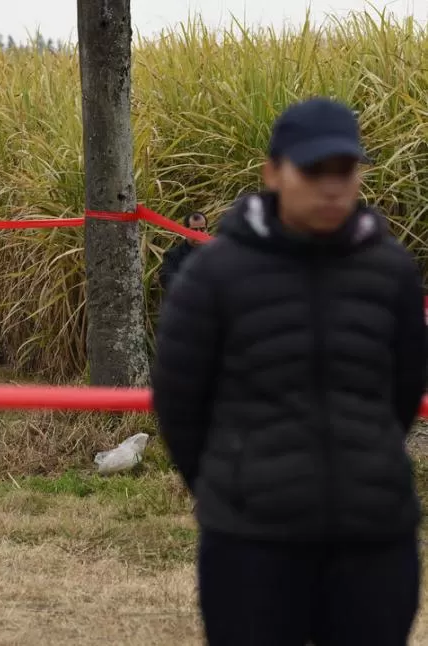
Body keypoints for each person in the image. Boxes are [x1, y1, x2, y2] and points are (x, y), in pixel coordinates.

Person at [152, 96, 427, 646]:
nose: (331, 186)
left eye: (344, 171)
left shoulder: (390, 270)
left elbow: (402, 391)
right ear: (273, 173)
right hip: (252, 542)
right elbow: (180, 398)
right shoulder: (214, 274)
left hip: (373, 539)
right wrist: (225, 484)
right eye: (313, 170)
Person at [158, 211, 208, 290]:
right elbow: (165, 279)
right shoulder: (172, 255)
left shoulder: (217, 252)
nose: (199, 233)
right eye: (194, 230)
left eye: (202, 229)